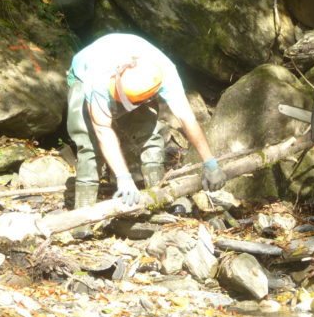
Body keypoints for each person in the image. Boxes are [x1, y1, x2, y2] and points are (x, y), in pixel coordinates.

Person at [66, 33, 227, 229]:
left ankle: (156, 201)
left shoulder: (164, 74)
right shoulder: (97, 77)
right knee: (90, 145)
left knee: (150, 134)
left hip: (138, 90)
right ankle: (82, 219)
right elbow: (102, 130)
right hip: (83, 80)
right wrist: (123, 178)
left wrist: (210, 163)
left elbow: (187, 119)